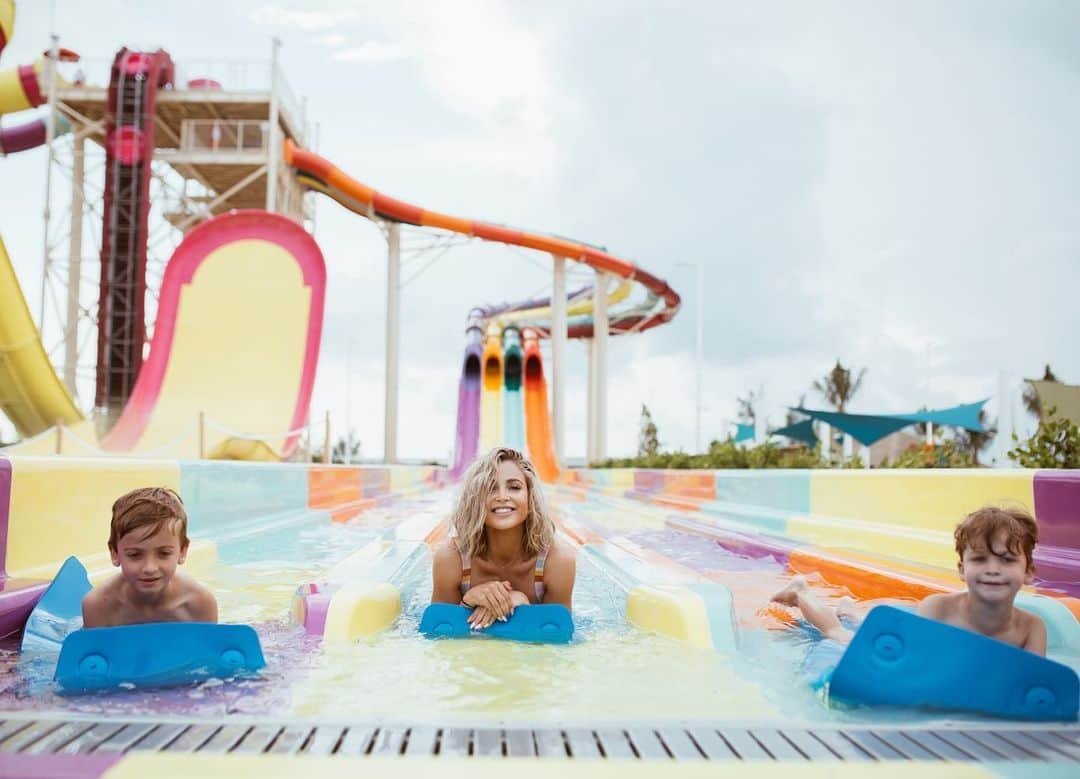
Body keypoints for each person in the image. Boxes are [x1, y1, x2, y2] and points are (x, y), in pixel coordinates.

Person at [771, 505, 1047, 655]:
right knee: (839, 635)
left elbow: (1033, 687)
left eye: (1007, 560)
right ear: (961, 569)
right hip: (910, 651)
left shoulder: (1031, 629)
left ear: (1029, 572)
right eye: (980, 559)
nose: (993, 569)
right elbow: (913, 665)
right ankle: (801, 592)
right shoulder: (938, 609)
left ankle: (852, 610)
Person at [432, 447, 575, 630]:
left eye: (514, 487)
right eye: (490, 488)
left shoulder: (557, 561)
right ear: (476, 500)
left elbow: (558, 639)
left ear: (530, 498)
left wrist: (522, 603)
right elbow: (439, 637)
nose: (502, 497)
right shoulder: (451, 558)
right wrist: (467, 603)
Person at [82, 487, 218, 628]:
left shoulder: (199, 603)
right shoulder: (98, 605)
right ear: (114, 553)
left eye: (164, 553)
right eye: (134, 555)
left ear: (183, 551)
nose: (149, 568)